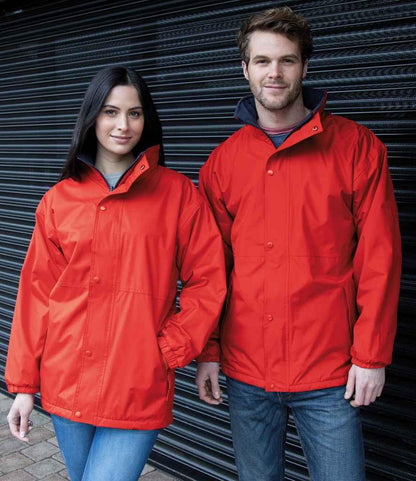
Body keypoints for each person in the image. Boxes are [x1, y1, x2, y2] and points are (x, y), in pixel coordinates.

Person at [195, 7, 401, 481]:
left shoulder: (356, 147)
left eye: (286, 60)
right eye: (262, 61)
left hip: (329, 373)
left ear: (304, 66)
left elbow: (380, 257)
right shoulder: (222, 164)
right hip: (247, 372)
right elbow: (211, 270)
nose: (274, 72)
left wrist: (371, 356)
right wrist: (208, 352)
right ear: (244, 69)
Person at [6, 65, 226, 481]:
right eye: (110, 112)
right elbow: (36, 296)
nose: (123, 125)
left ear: (146, 120)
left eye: (134, 113)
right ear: (92, 117)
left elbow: (209, 279)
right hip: (67, 378)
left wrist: (171, 347)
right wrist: (23, 386)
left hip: (136, 382)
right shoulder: (58, 200)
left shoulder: (178, 194)